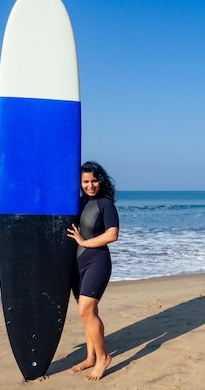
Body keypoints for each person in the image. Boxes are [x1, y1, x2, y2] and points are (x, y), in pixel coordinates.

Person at [66, 161, 119, 381]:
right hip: (77, 264)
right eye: (86, 181)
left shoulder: (105, 204)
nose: (90, 185)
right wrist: (3, 190)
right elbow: (41, 198)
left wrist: (85, 243)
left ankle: (103, 357)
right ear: (79, 183)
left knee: (85, 311)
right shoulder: (76, 203)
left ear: (101, 181)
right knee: (89, 314)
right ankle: (90, 357)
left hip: (97, 262)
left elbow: (112, 234)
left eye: (94, 180)